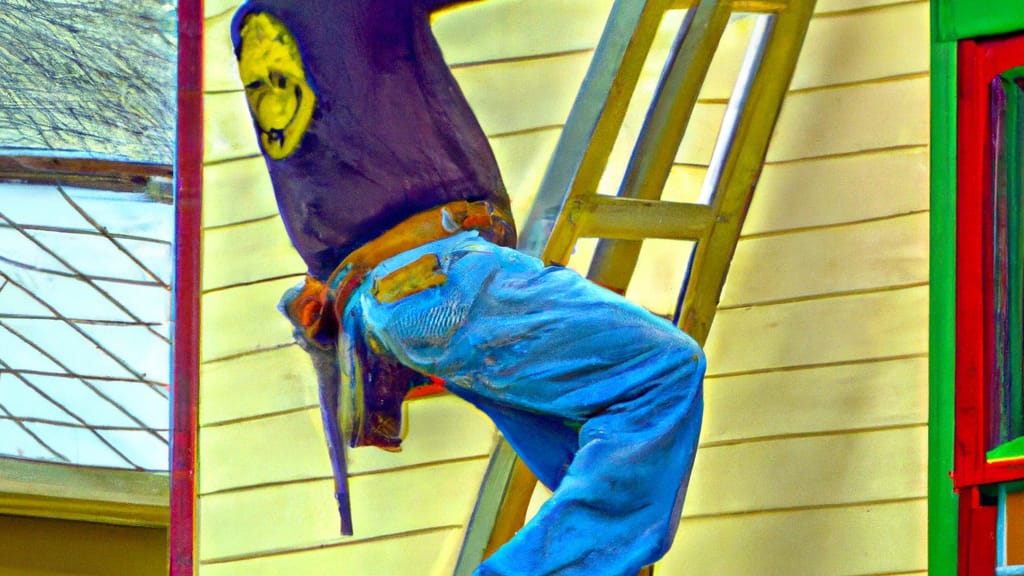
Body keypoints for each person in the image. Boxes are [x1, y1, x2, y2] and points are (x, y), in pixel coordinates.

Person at [231, 2, 705, 574]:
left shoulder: (261, 21)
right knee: (664, 370)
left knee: (603, 468)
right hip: (444, 280)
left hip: (393, 301)